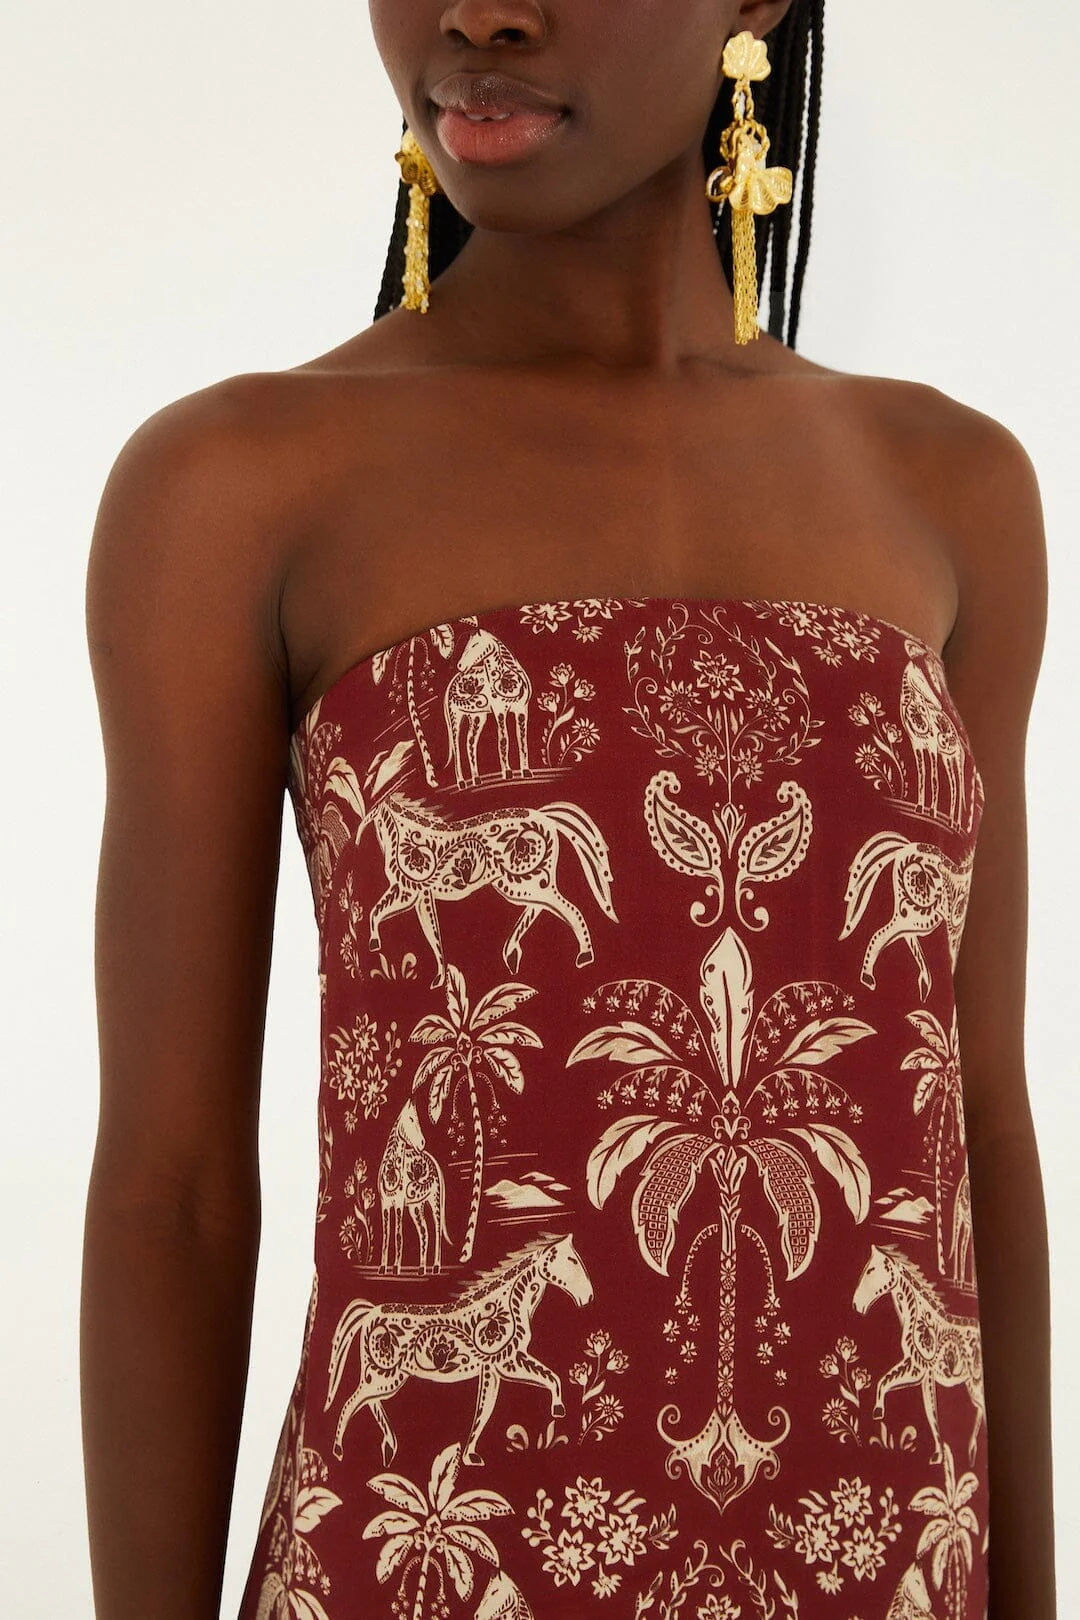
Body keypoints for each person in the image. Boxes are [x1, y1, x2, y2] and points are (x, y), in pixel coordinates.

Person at [80, 2, 1056, 1616]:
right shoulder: (239, 484)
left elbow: (978, 1131)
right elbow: (169, 1187)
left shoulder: (951, 488)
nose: (479, 12)